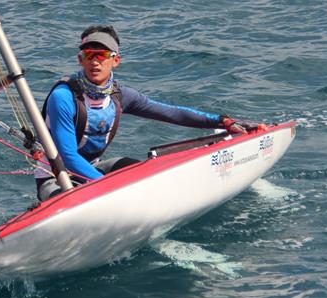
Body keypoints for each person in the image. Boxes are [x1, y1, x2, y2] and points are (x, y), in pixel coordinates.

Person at [36, 24, 265, 201]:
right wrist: (109, 187)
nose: (95, 61)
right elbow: (68, 157)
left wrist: (224, 121)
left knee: (144, 173)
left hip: (95, 171)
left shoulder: (120, 95)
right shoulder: (63, 98)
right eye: (89, 55)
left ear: (116, 61)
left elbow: (172, 113)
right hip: (56, 179)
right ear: (80, 59)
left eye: (102, 55)